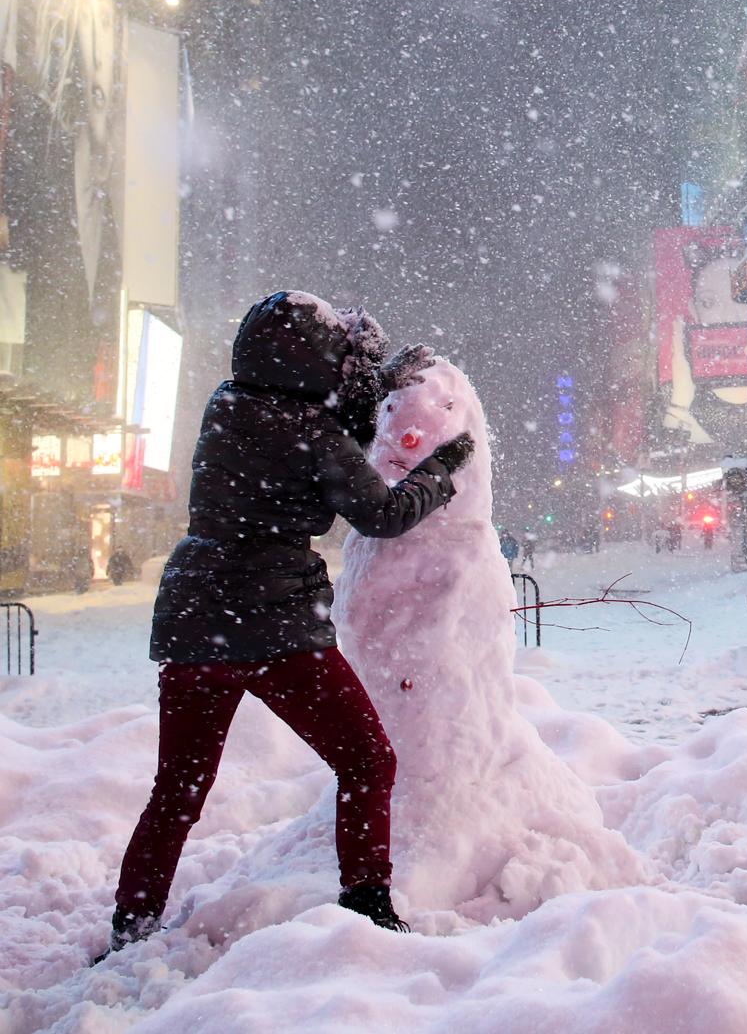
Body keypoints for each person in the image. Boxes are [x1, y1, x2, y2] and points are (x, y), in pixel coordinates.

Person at [101, 292, 473, 961]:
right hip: (271, 621)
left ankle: (131, 925)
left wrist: (371, 390)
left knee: (179, 787)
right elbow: (381, 513)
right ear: (314, 362)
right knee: (366, 759)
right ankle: (368, 904)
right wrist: (440, 474)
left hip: (195, 616)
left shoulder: (228, 405)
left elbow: (307, 442)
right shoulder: (311, 433)